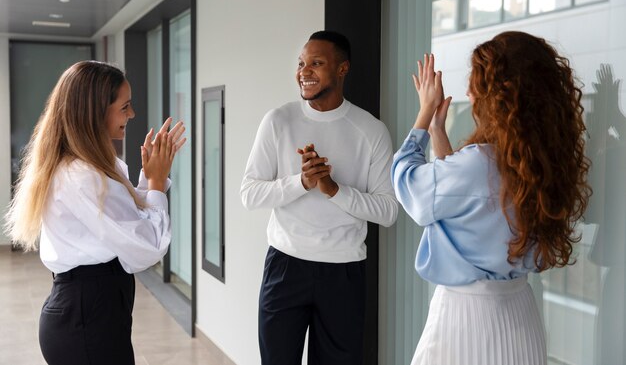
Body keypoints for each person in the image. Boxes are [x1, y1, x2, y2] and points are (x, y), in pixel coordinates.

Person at [391, 31, 591, 365]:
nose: (469, 91)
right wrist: (441, 133)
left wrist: (424, 116)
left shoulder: (477, 165)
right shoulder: (545, 168)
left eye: (477, 83)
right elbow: (459, 199)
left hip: (465, 320)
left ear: (498, 95)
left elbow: (407, 184)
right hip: (519, 317)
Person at [4, 60, 186, 365]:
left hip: (91, 313)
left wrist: (149, 179)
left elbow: (125, 217)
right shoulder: (82, 175)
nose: (132, 114)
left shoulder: (95, 166)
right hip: (86, 319)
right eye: (125, 106)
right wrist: (155, 183)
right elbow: (146, 246)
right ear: (95, 111)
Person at [240, 30, 398, 364]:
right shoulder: (278, 121)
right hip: (285, 265)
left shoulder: (371, 131)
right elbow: (250, 194)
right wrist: (303, 182)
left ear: (342, 69)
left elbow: (388, 211)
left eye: (316, 63)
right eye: (301, 63)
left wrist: (333, 189)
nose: (304, 71)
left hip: (343, 272)